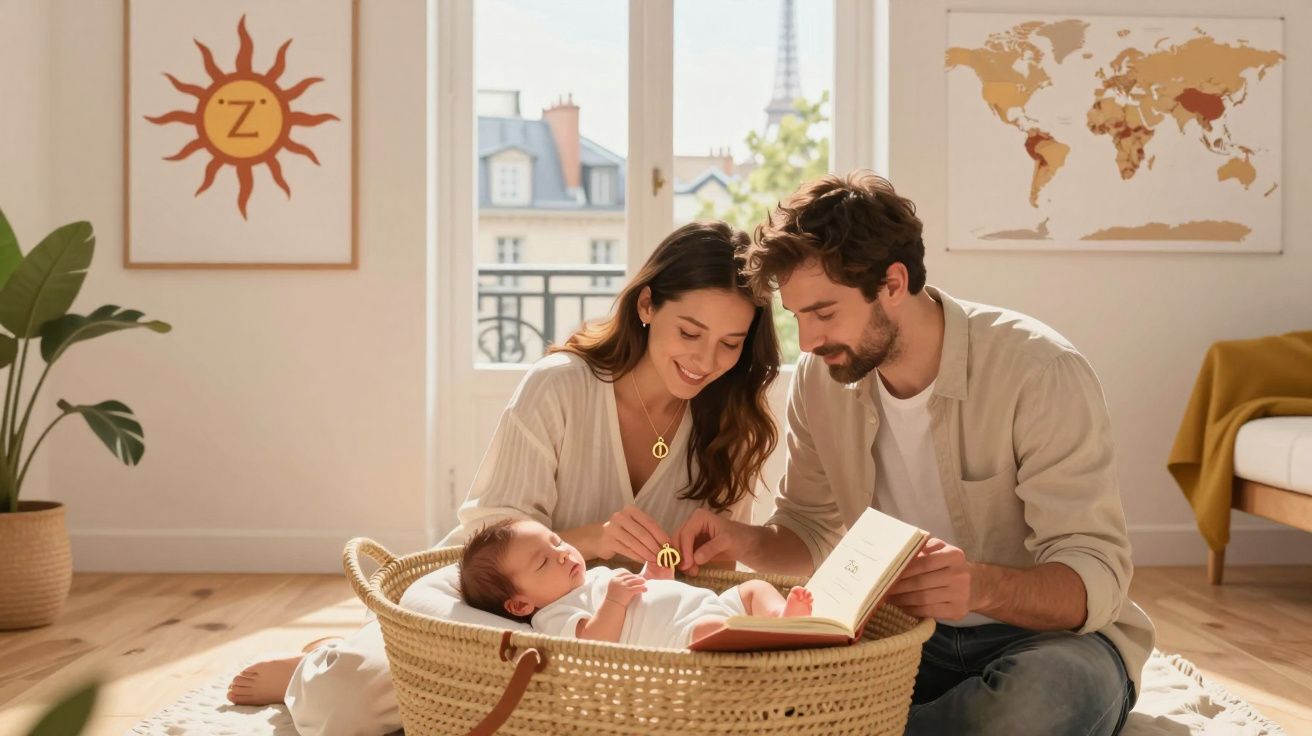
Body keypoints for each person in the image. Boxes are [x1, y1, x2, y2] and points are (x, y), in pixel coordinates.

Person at [227, 220, 782, 736]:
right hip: (489, 601)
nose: (706, 359)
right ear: (646, 305)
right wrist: (592, 539)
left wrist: (692, 560)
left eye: (730, 344)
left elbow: (710, 586)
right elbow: (489, 535)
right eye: (690, 331)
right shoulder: (561, 385)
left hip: (619, 634)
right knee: (343, 704)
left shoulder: (734, 423)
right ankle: (318, 665)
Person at [672, 172, 1156, 736]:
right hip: (898, 636)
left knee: (1035, 707)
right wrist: (743, 540)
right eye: (797, 316)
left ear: (894, 283)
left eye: (824, 313)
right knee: (757, 687)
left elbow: (1093, 575)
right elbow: (810, 529)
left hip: (1046, 643)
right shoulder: (820, 379)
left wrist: (979, 586)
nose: (806, 341)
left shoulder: (1038, 371)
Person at [459, 518, 812, 648]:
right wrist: (614, 601)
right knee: (713, 631)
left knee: (754, 588)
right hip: (684, 635)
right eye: (543, 562)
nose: (564, 555)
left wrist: (653, 577)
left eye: (556, 542)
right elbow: (596, 641)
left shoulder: (592, 575)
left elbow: (640, 596)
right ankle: (772, 633)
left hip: (710, 604)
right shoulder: (551, 616)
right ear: (521, 604)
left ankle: (781, 617)